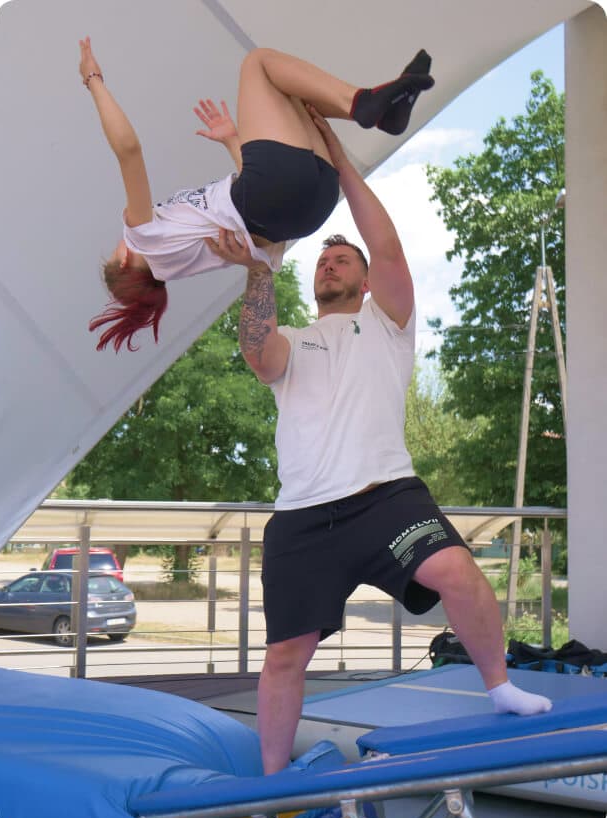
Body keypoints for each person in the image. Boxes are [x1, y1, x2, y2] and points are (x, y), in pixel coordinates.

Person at [208, 105, 553, 776]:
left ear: (364, 281)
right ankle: (270, 784)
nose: (330, 264)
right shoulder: (296, 343)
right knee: (285, 655)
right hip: (303, 518)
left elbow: (388, 246)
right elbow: (257, 351)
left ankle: (500, 687)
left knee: (456, 571)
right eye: (324, 260)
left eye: (342, 259)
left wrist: (338, 159)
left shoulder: (387, 322)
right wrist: (257, 270)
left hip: (385, 498)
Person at [78, 37, 434, 351]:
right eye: (116, 249)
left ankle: (378, 109)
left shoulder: (181, 262)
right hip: (266, 196)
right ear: (125, 261)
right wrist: (94, 80)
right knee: (259, 63)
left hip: (309, 209)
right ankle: (363, 104)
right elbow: (128, 149)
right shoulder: (143, 237)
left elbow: (256, 216)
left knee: (293, 90)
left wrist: (234, 140)